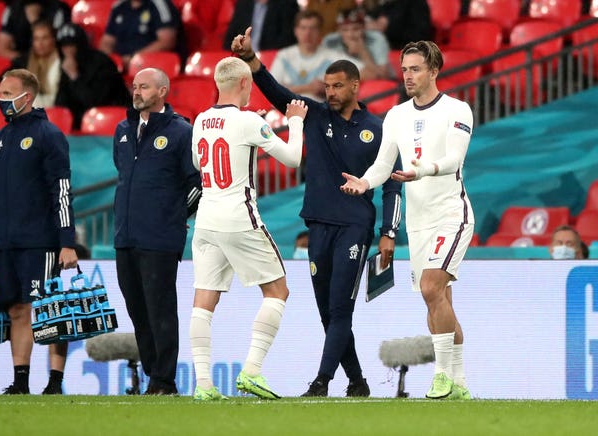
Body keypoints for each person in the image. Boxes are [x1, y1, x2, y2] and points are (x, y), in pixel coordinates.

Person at [231, 28, 403, 397]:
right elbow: (279, 95)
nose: (330, 92)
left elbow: (392, 184)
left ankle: (322, 381)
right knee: (328, 312)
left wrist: (389, 232)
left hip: (355, 227)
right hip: (318, 225)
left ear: (356, 87)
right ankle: (357, 382)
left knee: (341, 308)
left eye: (338, 86)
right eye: (327, 86)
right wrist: (251, 60)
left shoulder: (378, 130)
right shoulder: (315, 116)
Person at [340, 41, 475, 400]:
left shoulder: (457, 109)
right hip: (418, 221)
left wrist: (423, 171)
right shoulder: (397, 115)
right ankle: (460, 383)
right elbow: (384, 164)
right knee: (437, 300)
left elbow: (453, 160)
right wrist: (366, 181)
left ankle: (443, 378)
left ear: (434, 70)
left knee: (432, 287)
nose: (408, 76)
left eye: (415, 69)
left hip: (451, 214)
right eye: (404, 70)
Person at [188, 56, 308, 401]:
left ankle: (204, 386)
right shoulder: (248, 122)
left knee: (203, 300)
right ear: (245, 84)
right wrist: (295, 122)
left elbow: (199, 163)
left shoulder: (200, 120)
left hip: (206, 218)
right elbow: (292, 158)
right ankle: (252, 371)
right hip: (239, 217)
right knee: (278, 291)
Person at [0, 68, 78, 395]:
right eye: (1, 92)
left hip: (42, 240)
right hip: (6, 242)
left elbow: (62, 189)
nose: (2, 99)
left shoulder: (48, 134)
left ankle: (55, 381)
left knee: (50, 307)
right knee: (17, 308)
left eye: (9, 93)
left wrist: (67, 241)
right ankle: (21, 380)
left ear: (28, 96)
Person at [113, 67, 202, 395]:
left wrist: (175, 216)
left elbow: (198, 184)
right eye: (135, 86)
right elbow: (124, 175)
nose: (136, 92)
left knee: (160, 308)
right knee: (137, 309)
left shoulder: (181, 132)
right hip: (125, 236)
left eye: (144, 87)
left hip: (160, 238)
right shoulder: (123, 129)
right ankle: (154, 376)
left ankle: (164, 380)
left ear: (162, 91)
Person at [55, 22, 130, 130]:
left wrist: (75, 77)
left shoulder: (102, 63)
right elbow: (60, 104)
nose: (68, 51)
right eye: (64, 46)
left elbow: (94, 103)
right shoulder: (67, 65)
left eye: (71, 45)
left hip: (112, 125)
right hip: (79, 129)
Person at [271, 10, 355, 101]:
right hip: (284, 109)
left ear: (320, 32)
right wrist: (310, 88)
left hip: (319, 111)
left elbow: (368, 72)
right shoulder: (284, 55)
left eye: (313, 28)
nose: (307, 34)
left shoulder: (332, 56)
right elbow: (271, 89)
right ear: (296, 31)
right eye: (303, 28)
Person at [99, 0, 187, 72]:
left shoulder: (159, 4)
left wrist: (134, 59)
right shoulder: (119, 6)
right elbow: (107, 41)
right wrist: (111, 61)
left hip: (152, 69)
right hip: (121, 68)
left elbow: (167, 41)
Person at [322, 7, 392, 80]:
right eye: (345, 30)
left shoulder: (377, 38)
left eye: (356, 29)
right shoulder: (330, 41)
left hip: (375, 84)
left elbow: (384, 77)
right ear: (339, 31)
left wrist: (362, 51)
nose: (351, 35)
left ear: (364, 28)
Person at [8, 21, 61, 108]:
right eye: (36, 39)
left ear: (53, 40)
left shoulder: (61, 62)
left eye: (45, 38)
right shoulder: (24, 61)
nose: (40, 43)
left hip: (54, 107)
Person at [0, 0, 71, 60]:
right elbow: (3, 50)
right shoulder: (12, 9)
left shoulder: (59, 9)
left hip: (52, 63)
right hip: (21, 61)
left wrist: (35, 21)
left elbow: (64, 49)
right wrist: (27, 61)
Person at [223, 0, 299, 53]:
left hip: (273, 60)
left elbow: (288, 40)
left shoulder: (288, 4)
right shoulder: (243, 4)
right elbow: (230, 39)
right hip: (243, 59)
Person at [362, 0, 433, 50]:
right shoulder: (380, 5)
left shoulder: (416, 3)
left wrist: (387, 28)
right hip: (375, 48)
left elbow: (421, 37)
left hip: (406, 50)